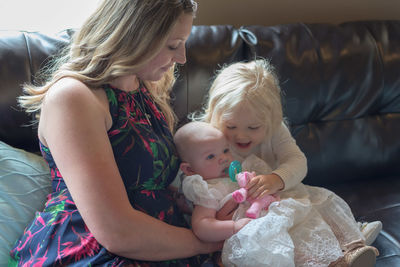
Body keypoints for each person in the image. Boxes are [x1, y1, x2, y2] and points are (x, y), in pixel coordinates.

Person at [8, 1, 223, 266]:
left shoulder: (143, 88)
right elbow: (116, 231)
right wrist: (212, 242)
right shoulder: (74, 98)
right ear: (135, 37)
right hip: (91, 248)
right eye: (172, 45)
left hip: (165, 243)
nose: (182, 58)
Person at [190, 59, 381, 267]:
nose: (241, 135)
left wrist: (276, 178)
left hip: (281, 197)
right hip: (244, 214)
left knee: (319, 207)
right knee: (283, 239)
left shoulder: (275, 129)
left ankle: (351, 247)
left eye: (253, 127)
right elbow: (189, 167)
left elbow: (298, 161)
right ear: (215, 115)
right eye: (231, 126)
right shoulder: (209, 136)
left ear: (271, 119)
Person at [173, 121, 254, 242]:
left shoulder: (233, 176)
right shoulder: (207, 191)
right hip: (241, 232)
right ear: (190, 169)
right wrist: (233, 228)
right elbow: (201, 226)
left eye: (226, 150)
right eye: (211, 156)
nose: (224, 158)